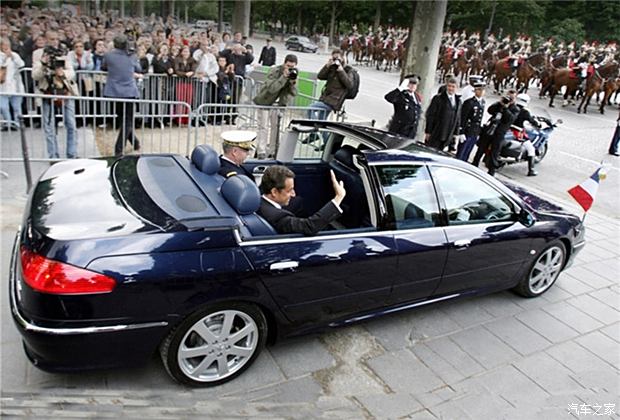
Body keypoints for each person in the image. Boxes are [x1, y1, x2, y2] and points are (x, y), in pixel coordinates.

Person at [258, 166, 346, 236]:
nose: (293, 194)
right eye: (289, 190)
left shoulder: (258, 201)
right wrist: (339, 197)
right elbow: (309, 226)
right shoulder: (278, 217)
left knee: (298, 201)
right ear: (274, 192)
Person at [32, 30, 79, 159]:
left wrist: (62, 73)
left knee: (71, 124)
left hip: (65, 91)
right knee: (49, 126)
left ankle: (72, 154)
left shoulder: (64, 52)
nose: (55, 42)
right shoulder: (38, 54)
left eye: (56, 39)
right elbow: (34, 75)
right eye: (52, 39)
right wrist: (43, 65)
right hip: (47, 92)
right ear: (46, 39)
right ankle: (53, 156)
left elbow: (72, 72)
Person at [102, 34, 142, 156]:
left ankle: (135, 143)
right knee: (127, 121)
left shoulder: (108, 56)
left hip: (114, 92)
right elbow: (139, 68)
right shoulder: (132, 56)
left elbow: (103, 67)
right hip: (129, 91)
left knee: (123, 119)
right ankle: (119, 149)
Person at [253, 54, 298, 158]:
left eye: (292, 67)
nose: (290, 69)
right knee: (263, 127)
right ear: (284, 63)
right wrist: (283, 77)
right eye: (288, 66)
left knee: (275, 128)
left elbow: (294, 93)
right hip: (265, 101)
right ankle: (261, 151)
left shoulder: (294, 73)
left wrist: (292, 83)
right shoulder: (275, 71)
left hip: (279, 105)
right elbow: (272, 88)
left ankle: (272, 151)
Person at [308, 49, 353, 121]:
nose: (336, 60)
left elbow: (349, 85)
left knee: (311, 108)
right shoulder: (332, 68)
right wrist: (327, 66)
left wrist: (341, 71)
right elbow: (320, 76)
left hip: (334, 101)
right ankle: (319, 131)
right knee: (322, 119)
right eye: (334, 58)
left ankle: (313, 127)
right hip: (325, 98)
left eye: (338, 58)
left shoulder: (348, 70)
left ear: (342, 58)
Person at [484, 94, 519, 176]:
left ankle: (491, 171)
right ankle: (475, 163)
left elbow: (510, 119)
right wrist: (499, 103)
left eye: (511, 98)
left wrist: (506, 108)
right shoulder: (499, 104)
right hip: (491, 129)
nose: (509, 99)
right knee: (482, 147)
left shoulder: (515, 109)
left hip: (500, 132)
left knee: (495, 152)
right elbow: (490, 110)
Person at [424, 77, 461, 151]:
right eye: (449, 86)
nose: (450, 88)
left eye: (453, 87)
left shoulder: (458, 100)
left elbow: (458, 117)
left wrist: (456, 133)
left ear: (457, 87)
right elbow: (430, 115)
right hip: (437, 133)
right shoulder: (438, 98)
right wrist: (428, 131)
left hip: (448, 134)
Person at [384, 75, 422, 139]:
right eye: (410, 83)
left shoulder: (416, 96)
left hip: (411, 132)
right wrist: (400, 88)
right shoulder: (401, 95)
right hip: (400, 130)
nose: (413, 86)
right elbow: (388, 97)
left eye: (415, 84)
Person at [456, 81, 486, 162]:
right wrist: (461, 132)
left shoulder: (483, 102)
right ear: (475, 91)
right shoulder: (469, 102)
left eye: (482, 90)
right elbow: (463, 117)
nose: (481, 92)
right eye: (479, 90)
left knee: (468, 152)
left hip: (475, 131)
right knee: (461, 152)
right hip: (467, 130)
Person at [512, 93, 541, 176]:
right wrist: (538, 124)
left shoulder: (512, 107)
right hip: (518, 132)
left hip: (508, 129)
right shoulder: (525, 112)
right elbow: (531, 120)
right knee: (531, 149)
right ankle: (531, 170)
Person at [0, 38, 25, 130]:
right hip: (2, 85)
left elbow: (21, 64)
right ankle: (8, 122)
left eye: (8, 45)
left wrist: (13, 57)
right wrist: (5, 59)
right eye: (4, 45)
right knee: (3, 106)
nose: (6, 47)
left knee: (16, 106)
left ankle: (17, 123)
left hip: (15, 85)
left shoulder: (15, 55)